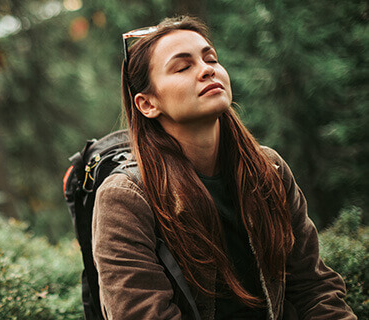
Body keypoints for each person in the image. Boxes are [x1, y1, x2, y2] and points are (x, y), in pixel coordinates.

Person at [92, 16, 357, 320]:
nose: (207, 70)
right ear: (147, 104)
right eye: (182, 67)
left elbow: (314, 289)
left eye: (211, 59)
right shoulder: (126, 199)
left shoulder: (269, 169)